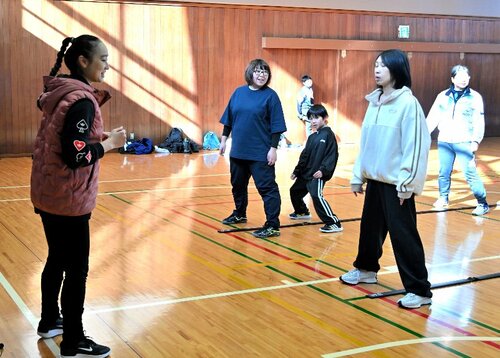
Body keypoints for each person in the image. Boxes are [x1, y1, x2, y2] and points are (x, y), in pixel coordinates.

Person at [31, 35, 126, 357]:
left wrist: (99, 136)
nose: (107, 66)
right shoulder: (82, 100)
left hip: (49, 192)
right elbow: (76, 155)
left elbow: (67, 138)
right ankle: (73, 340)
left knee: (56, 258)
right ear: (83, 61)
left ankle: (49, 321)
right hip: (68, 199)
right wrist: (109, 145)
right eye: (103, 59)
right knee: (76, 269)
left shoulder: (61, 93)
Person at [340, 49, 433, 309]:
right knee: (369, 230)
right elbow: (366, 143)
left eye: (383, 65)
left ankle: (419, 289)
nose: (377, 70)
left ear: (397, 69)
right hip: (376, 180)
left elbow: (415, 147)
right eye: (375, 65)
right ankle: (367, 269)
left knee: (404, 236)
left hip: (397, 184)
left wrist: (406, 184)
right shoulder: (375, 102)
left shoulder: (408, 104)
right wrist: (358, 175)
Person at [219, 58, 287, 239]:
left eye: (264, 71)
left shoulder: (271, 96)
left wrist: (273, 149)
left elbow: (277, 126)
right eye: (257, 71)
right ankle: (240, 213)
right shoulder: (238, 93)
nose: (261, 74)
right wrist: (224, 140)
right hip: (238, 151)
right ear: (250, 73)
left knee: (267, 188)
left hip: (260, 153)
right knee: (237, 185)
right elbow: (229, 119)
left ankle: (272, 225)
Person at [426, 65, 489, 216]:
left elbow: (479, 121)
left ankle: (482, 203)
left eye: (465, 77)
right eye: (459, 77)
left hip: (464, 141)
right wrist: (423, 134)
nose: (463, 80)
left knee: (470, 172)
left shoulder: (475, 97)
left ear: (469, 78)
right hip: (445, 141)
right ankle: (443, 198)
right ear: (452, 79)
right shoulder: (443, 96)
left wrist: (475, 141)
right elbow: (433, 117)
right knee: (444, 172)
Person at [289, 104, 342, 233]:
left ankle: (333, 222)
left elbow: (332, 155)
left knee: (316, 195)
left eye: (316, 117)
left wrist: (323, 171)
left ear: (325, 118)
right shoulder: (312, 137)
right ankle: (302, 211)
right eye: (311, 118)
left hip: (317, 174)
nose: (313, 121)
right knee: (295, 191)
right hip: (305, 173)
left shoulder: (329, 135)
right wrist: (297, 171)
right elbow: (305, 155)